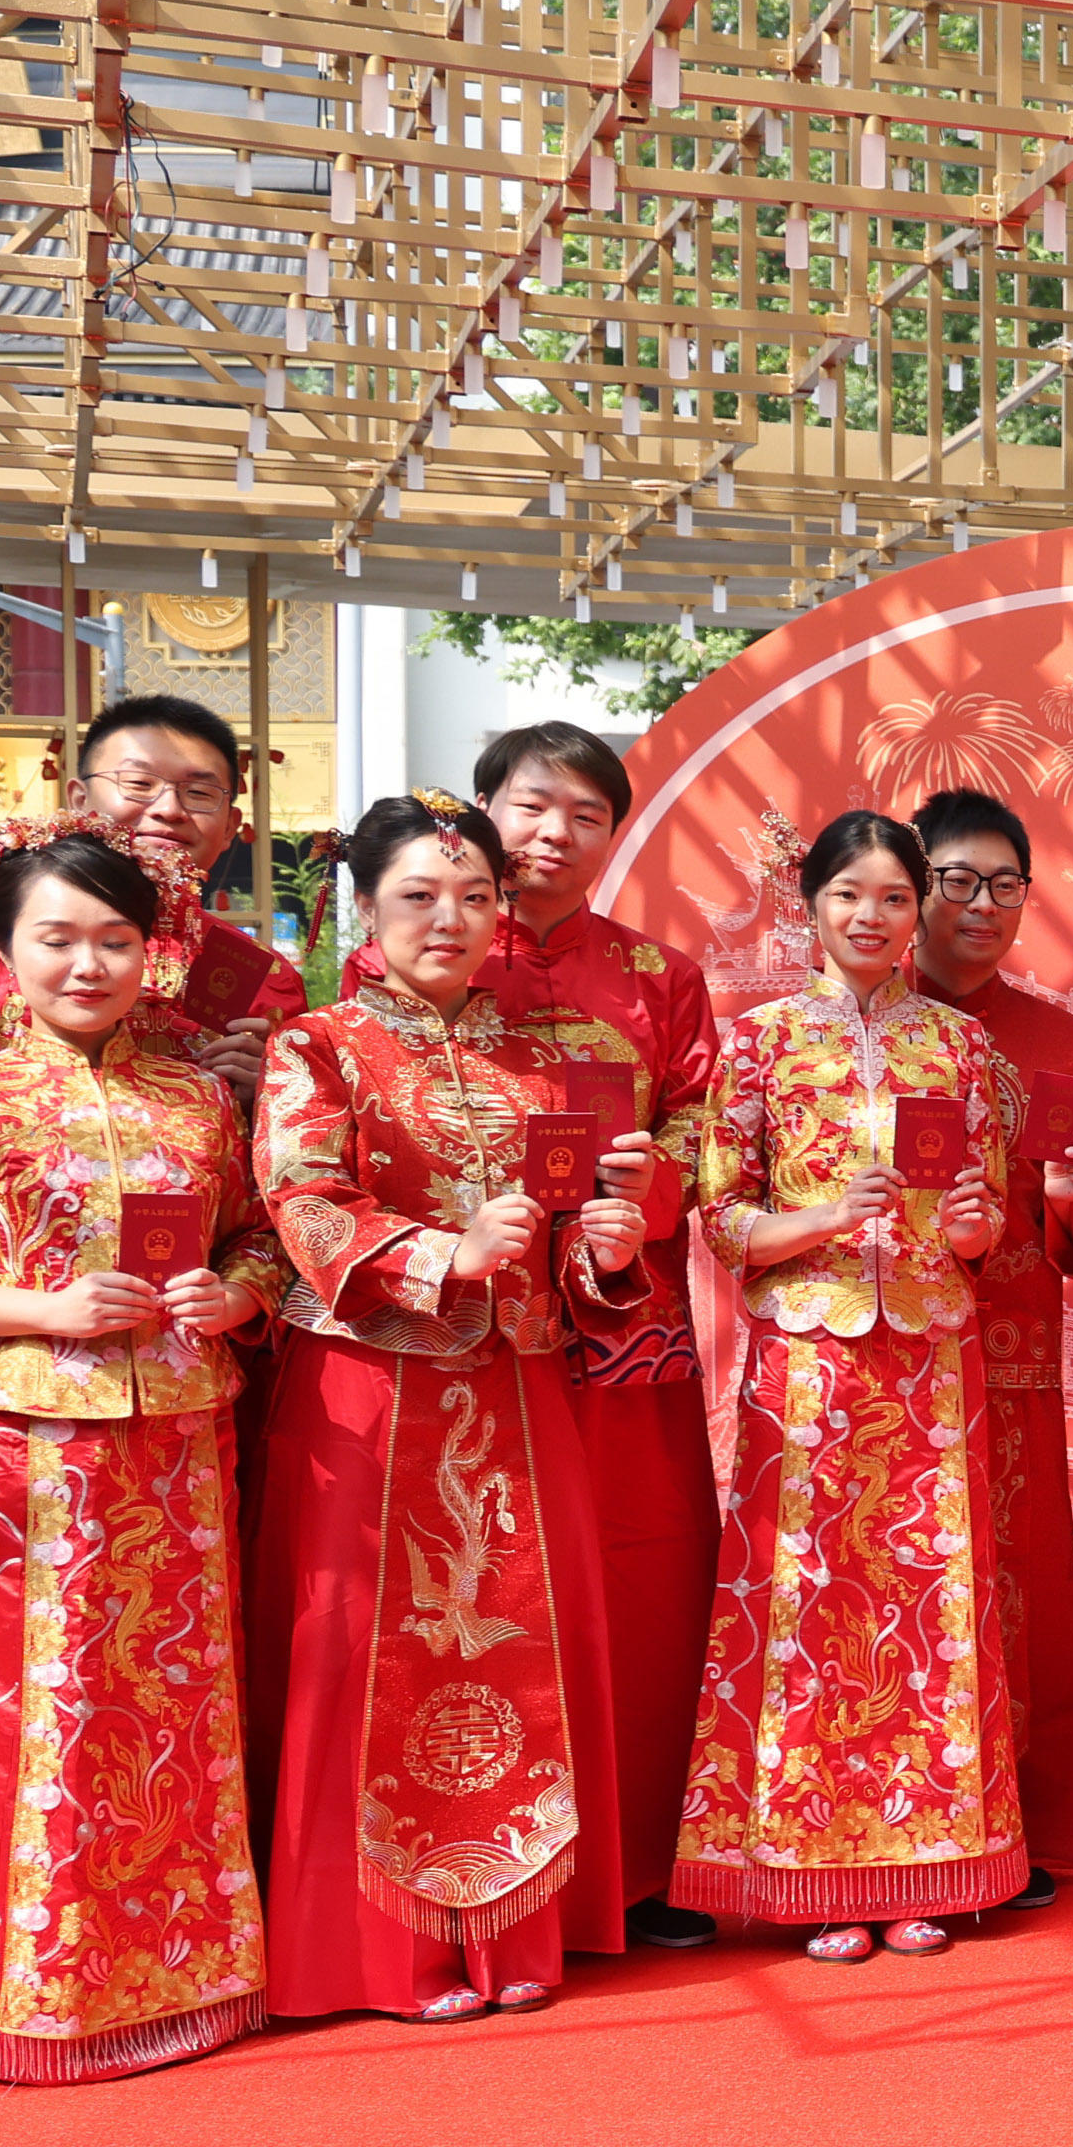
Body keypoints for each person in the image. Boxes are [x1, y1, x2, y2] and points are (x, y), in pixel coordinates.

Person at [0, 835, 283, 2084]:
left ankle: (180, 1976)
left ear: (154, 951)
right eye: (56, 937)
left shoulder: (200, 1097)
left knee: (172, 1704)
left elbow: (258, 1240)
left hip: (179, 1440)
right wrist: (49, 1310)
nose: (87, 963)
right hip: (22, 1450)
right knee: (22, 1701)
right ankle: (5, 1992)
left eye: (114, 939)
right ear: (3, 947)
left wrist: (231, 1295)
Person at [252, 794, 625, 2025]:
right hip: (371, 1390)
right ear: (365, 906)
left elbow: (560, 1235)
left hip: (519, 1389)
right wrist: (442, 1256)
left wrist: (603, 1251)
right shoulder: (317, 1047)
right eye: (418, 895)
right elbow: (303, 1200)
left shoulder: (537, 1063)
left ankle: (518, 1921)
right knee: (370, 1654)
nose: (449, 919)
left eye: (474, 897)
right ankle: (382, 1947)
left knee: (525, 1649)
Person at [681, 812, 1027, 1958]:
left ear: (918, 908)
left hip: (929, 1364)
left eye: (893, 896)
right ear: (810, 905)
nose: (871, 916)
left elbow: (986, 1217)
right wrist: (827, 1217)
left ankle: (926, 1858)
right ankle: (812, 1865)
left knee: (930, 1603)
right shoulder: (758, 1043)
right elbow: (722, 1216)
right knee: (809, 1604)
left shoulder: (962, 1048)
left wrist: (971, 1225)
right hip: (808, 1365)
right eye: (848, 894)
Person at [463, 722, 725, 1948]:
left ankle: (644, 1864)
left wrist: (649, 1183)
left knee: (641, 1574)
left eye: (585, 814)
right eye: (530, 805)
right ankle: (492, 1866)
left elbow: (706, 1126)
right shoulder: (428, 954)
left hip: (627, 1321)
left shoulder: (660, 976)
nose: (552, 834)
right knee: (489, 1580)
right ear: (484, 809)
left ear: (616, 834)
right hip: (479, 1320)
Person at [908, 787, 1073, 1882]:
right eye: (958, 880)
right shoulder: (853, 1033)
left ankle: (1024, 1817)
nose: (982, 905)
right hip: (883, 1357)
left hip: (1013, 1348)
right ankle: (898, 1817)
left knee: (1014, 1580)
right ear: (914, 887)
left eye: (1004, 885)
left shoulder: (1062, 1042)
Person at [0, 690, 298, 1175]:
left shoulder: (262, 977)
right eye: (138, 783)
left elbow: (300, 1165)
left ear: (230, 826)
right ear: (79, 800)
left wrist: (273, 1100)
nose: (169, 809)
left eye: (199, 793)